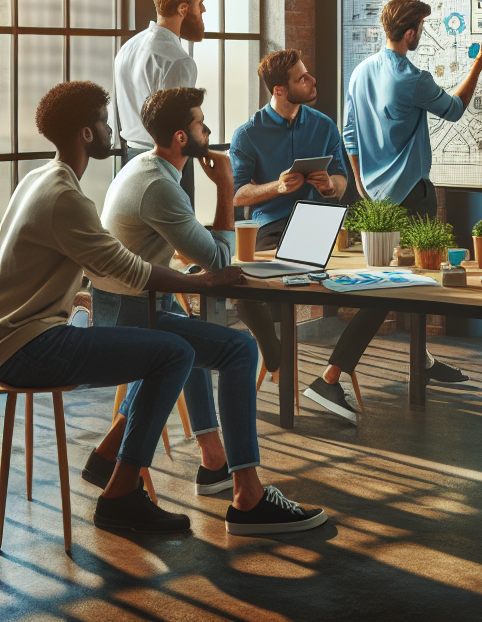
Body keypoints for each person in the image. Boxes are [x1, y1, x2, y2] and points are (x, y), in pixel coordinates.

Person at [0, 82, 241, 533]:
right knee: (176, 352)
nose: (111, 129)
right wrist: (207, 280)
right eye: (104, 121)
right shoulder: (65, 196)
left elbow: (26, 267)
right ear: (87, 134)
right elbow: (128, 267)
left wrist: (73, 294)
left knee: (168, 348)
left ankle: (109, 461)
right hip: (31, 347)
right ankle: (119, 497)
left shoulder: (37, 179)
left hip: (18, 338)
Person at [87, 87, 328, 535]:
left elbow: (192, 247)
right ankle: (248, 495)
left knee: (188, 341)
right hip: (130, 315)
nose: (210, 130)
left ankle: (190, 462)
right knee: (236, 348)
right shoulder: (159, 184)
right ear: (182, 138)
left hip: (122, 307)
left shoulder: (144, 168)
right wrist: (225, 186)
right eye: (201, 124)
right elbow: (218, 259)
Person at [300, 0, 482, 421]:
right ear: (410, 33)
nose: (422, 33)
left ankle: (420, 361)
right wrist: (478, 66)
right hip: (412, 194)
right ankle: (330, 377)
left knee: (407, 284)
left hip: (375, 196)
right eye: (421, 26)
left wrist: (364, 185)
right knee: (390, 290)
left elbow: (349, 134)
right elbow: (455, 110)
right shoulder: (412, 78)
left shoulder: (361, 71)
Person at [229, 50, 349, 384]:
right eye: (302, 78)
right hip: (273, 225)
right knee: (243, 286)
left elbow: (342, 180)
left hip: (319, 223)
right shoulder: (247, 134)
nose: (311, 82)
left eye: (307, 75)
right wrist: (277, 186)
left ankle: (324, 364)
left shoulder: (324, 125)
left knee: (352, 282)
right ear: (279, 90)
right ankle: (277, 355)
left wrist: (329, 185)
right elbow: (238, 195)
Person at [112, 0, 209, 203]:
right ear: (183, 8)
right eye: (200, 3)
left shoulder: (127, 49)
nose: (204, 9)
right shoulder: (179, 61)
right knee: (178, 239)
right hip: (165, 163)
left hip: (129, 160)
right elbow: (178, 131)